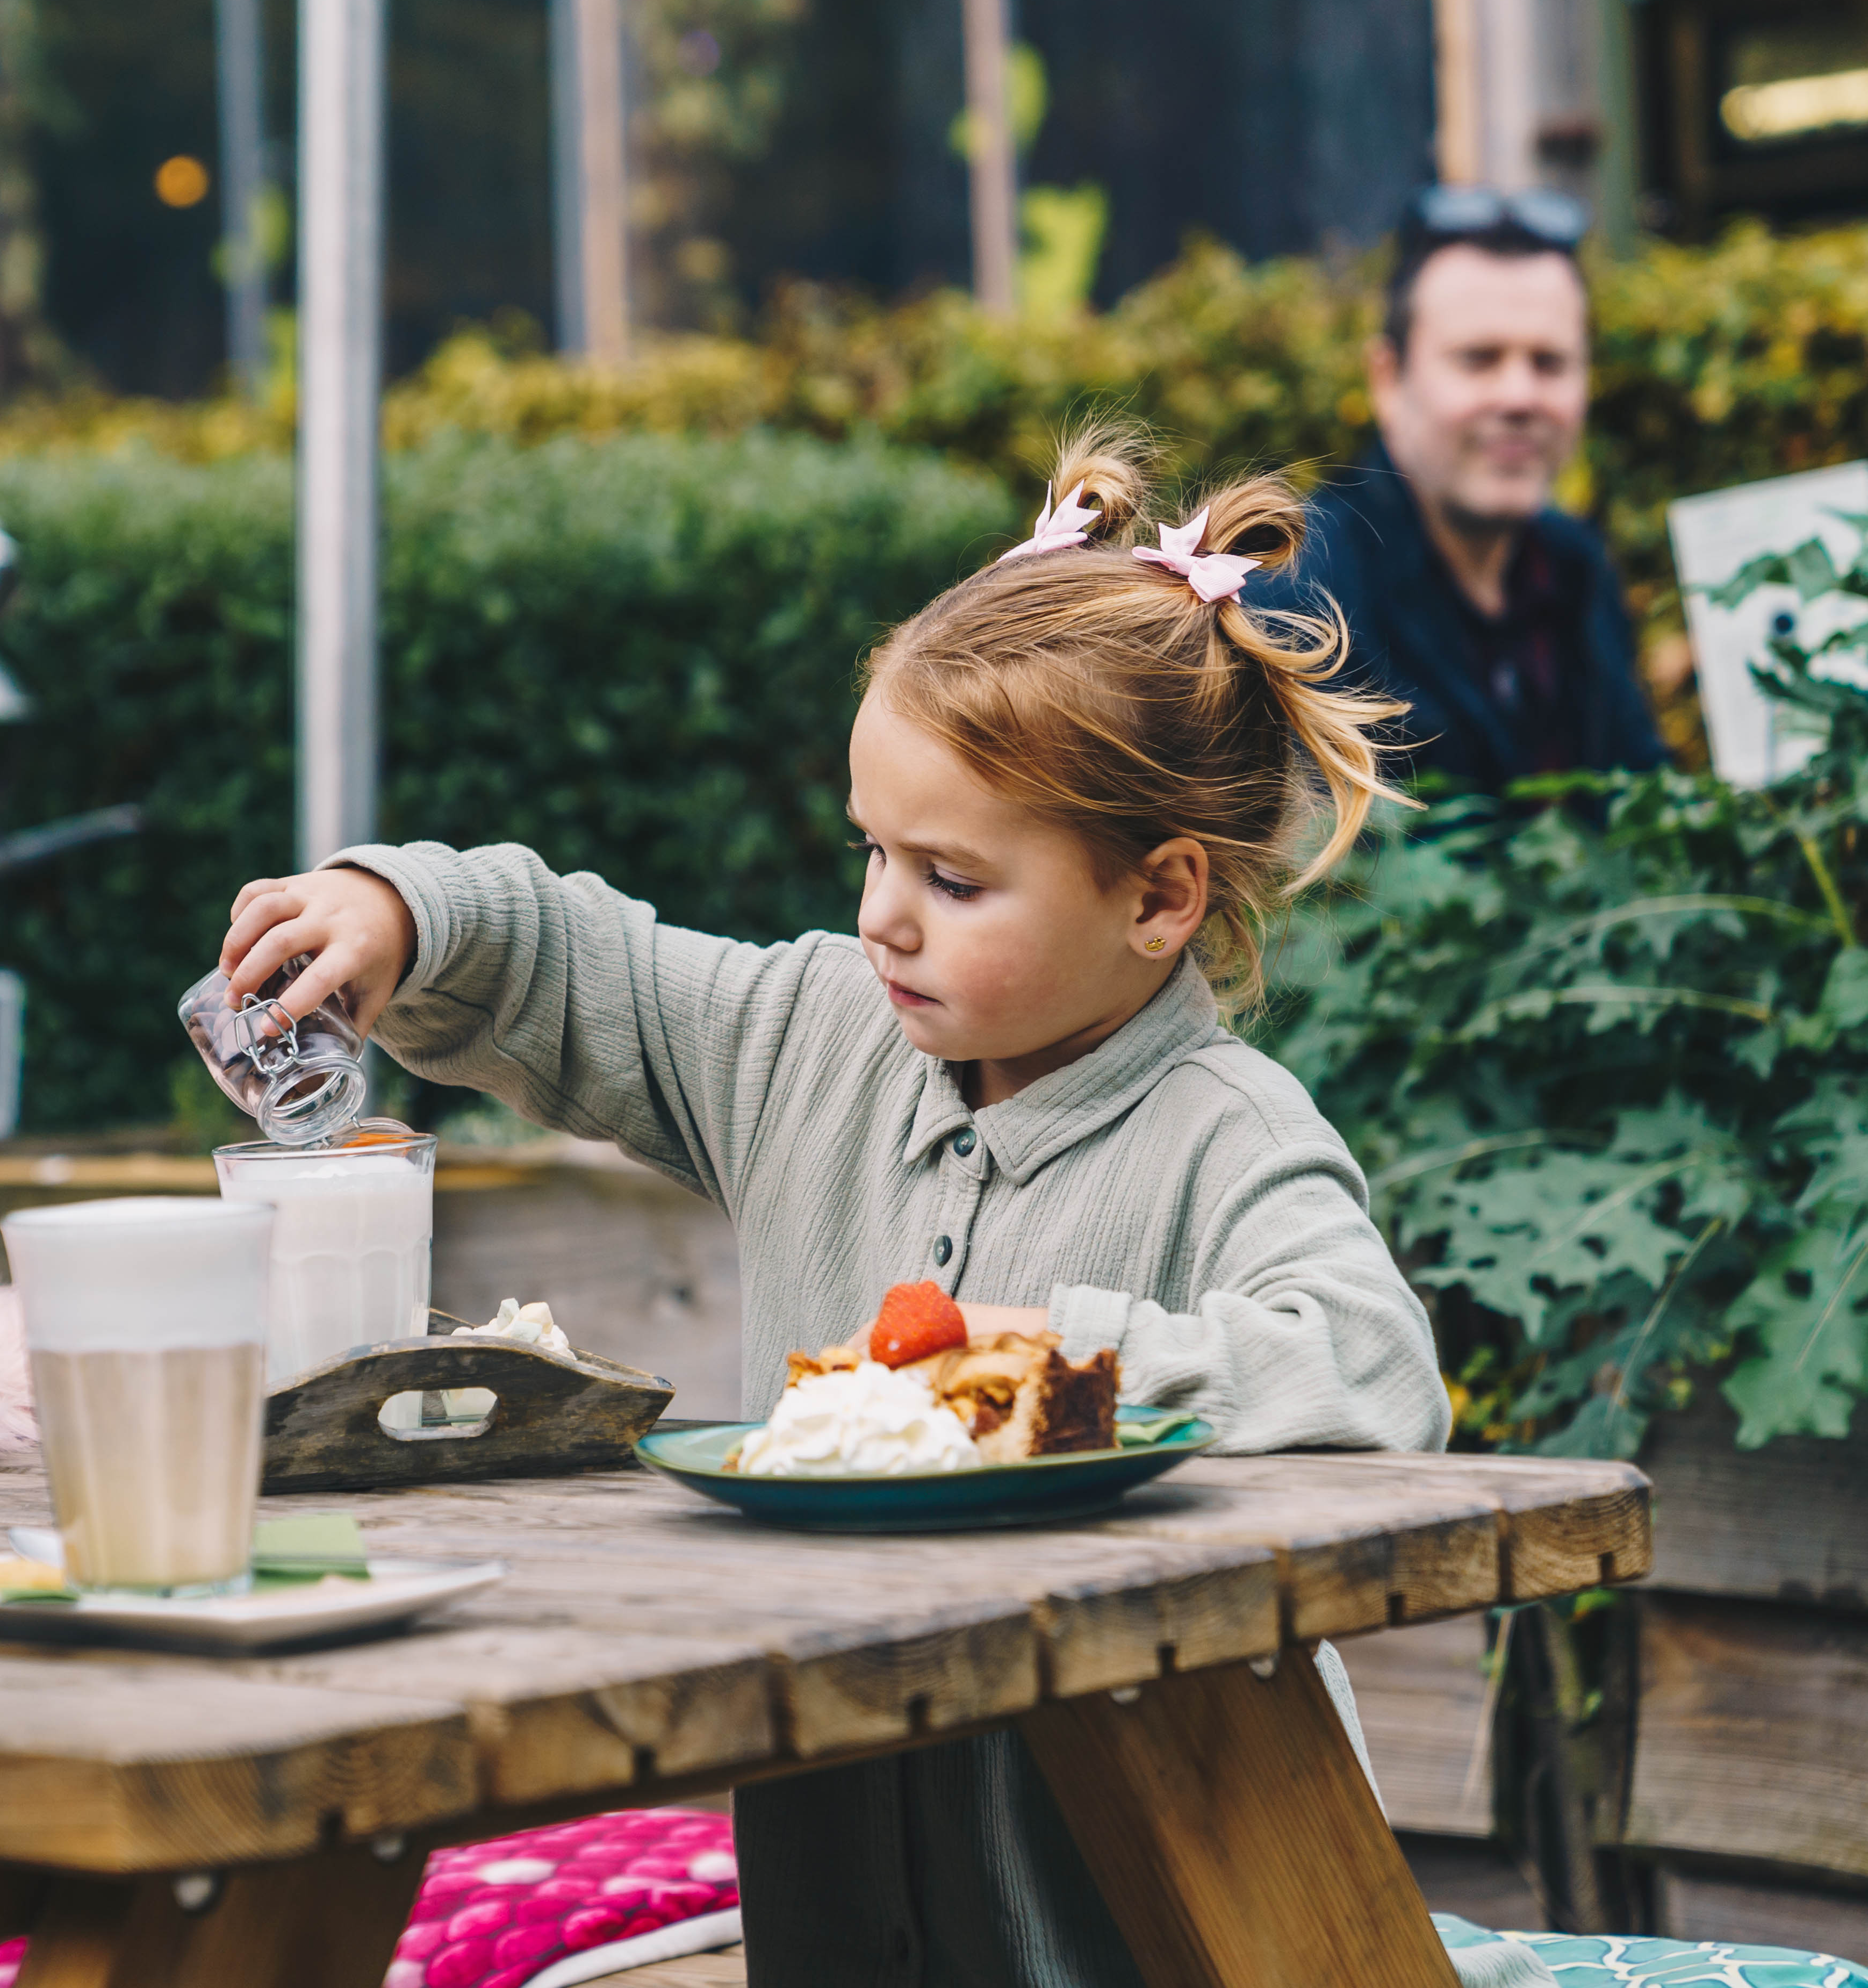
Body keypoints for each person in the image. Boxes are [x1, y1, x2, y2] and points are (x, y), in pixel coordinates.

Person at [218, 434, 1457, 1987]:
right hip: (840, 1901)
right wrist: (402, 910)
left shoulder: (1227, 1136)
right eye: (873, 850)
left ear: (1158, 897)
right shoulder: (810, 1036)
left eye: (950, 877)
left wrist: (1046, 1363)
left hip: (1175, 1912)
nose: (880, 914)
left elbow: (1368, 1370)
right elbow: (571, 962)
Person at [1268, 185, 1670, 792]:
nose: (1519, 397)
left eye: (1550, 363)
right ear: (1387, 381)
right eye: (1479, 359)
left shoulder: (1577, 569)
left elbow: (1644, 805)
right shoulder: (1299, 600)